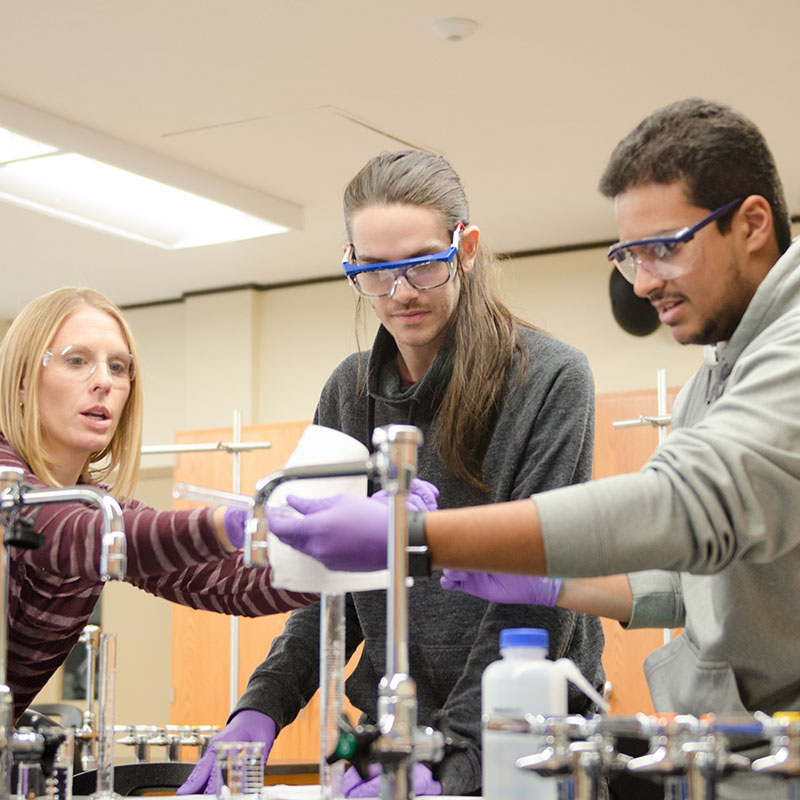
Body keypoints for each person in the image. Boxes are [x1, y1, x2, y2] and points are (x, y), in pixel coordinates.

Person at [268, 100, 799, 798]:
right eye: (629, 255)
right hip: (740, 750)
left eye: (664, 247)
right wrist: (552, 583)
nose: (641, 284)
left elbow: (687, 504)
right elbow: (683, 581)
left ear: (752, 224)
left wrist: (417, 537)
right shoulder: (716, 375)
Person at [180, 150, 606, 797]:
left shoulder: (549, 381)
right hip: (392, 741)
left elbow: (530, 605)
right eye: (374, 272)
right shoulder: (351, 393)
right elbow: (333, 592)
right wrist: (261, 707)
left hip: (528, 740)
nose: (400, 292)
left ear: (466, 248)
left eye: (421, 265)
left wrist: (452, 766)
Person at [0, 287, 317, 721]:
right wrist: (232, 523)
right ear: (20, 381)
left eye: (118, 367)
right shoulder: (21, 489)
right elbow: (66, 536)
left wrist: (359, 551)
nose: (104, 381)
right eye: (77, 360)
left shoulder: (99, 510)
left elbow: (230, 580)